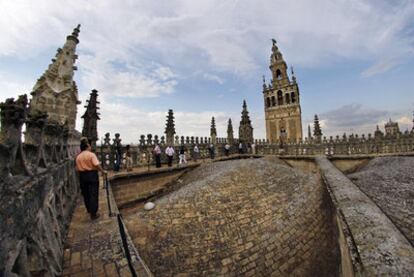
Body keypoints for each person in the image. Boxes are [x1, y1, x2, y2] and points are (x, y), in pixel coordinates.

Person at [76, 138, 107, 220]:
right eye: (89, 145)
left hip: (82, 176)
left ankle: (89, 209)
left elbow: (77, 168)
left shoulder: (78, 157)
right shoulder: (91, 155)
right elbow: (96, 164)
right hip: (92, 175)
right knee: (93, 193)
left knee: (86, 194)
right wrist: (102, 171)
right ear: (86, 146)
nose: (90, 147)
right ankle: (93, 213)